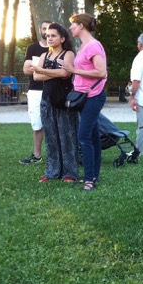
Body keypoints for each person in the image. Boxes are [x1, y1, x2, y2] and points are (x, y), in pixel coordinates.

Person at [58, 14, 107, 192]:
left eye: (73, 25)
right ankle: (93, 175)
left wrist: (73, 69)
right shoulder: (84, 46)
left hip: (94, 96)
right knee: (92, 137)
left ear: (81, 26)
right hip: (84, 96)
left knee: (84, 136)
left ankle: (89, 179)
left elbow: (101, 72)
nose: (70, 28)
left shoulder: (93, 45)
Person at [30, 23, 79, 183]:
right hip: (47, 100)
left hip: (63, 101)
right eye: (48, 35)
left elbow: (66, 72)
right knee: (51, 137)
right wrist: (53, 73)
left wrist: (42, 70)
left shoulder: (68, 54)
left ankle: (70, 173)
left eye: (53, 36)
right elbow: (36, 77)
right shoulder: (45, 56)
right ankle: (52, 172)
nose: (49, 38)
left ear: (62, 38)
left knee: (67, 137)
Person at [20, 21, 51, 164]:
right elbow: (26, 70)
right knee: (37, 124)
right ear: (40, 30)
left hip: (53, 90)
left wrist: (37, 68)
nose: (46, 32)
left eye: (49, 29)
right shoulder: (32, 48)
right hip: (35, 91)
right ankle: (37, 155)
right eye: (44, 28)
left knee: (56, 124)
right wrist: (47, 70)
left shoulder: (57, 49)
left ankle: (56, 155)